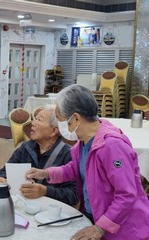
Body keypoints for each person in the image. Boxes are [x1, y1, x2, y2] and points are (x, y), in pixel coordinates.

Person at [26, 85, 149, 240]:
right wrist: (45, 173)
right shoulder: (84, 142)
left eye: (60, 119)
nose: (58, 124)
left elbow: (126, 194)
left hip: (123, 228)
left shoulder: (112, 146)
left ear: (76, 118)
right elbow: (76, 168)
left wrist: (101, 228)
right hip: (97, 216)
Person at [0, 105, 79, 206]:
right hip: (23, 206)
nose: (33, 123)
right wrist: (2, 179)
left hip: (51, 212)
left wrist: (45, 191)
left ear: (54, 131)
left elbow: (73, 195)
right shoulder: (26, 148)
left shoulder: (68, 154)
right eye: (34, 119)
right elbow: (4, 171)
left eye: (39, 120)